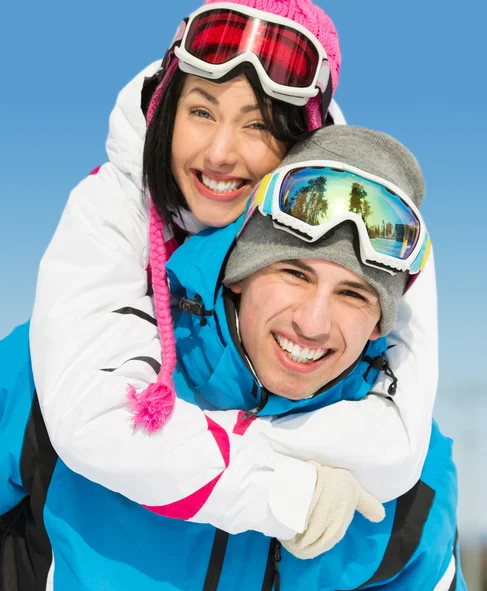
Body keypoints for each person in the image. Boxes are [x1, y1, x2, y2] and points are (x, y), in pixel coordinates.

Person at [30, 0, 437, 549]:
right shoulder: (111, 205)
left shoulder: (369, 217)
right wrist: (284, 490)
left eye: (259, 125)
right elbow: (94, 417)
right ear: (170, 107)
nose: (221, 153)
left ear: (301, 139)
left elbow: (400, 448)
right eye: (201, 112)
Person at [1, 126, 464, 591]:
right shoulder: (75, 369)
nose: (312, 322)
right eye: (293, 273)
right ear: (239, 272)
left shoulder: (413, 488)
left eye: (352, 295)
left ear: (380, 324)